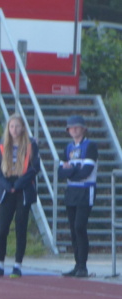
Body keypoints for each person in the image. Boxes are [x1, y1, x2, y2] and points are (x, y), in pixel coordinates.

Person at [0, 113, 40, 278]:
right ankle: (0, 264)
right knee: (2, 229)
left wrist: (19, 184)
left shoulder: (31, 145)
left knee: (21, 227)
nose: (14, 130)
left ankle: (17, 265)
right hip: (6, 186)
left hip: (23, 187)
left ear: (23, 128)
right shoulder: (0, 144)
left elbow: (34, 167)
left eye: (17, 126)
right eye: (12, 126)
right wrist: (6, 184)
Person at [58, 115, 99, 278]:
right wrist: (72, 171)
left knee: (79, 227)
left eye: (77, 127)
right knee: (72, 229)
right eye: (71, 127)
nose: (74, 130)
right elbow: (60, 172)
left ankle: (83, 266)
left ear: (83, 128)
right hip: (71, 191)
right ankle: (77, 265)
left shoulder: (90, 146)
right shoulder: (68, 148)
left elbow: (86, 172)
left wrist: (71, 170)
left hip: (86, 190)